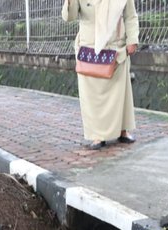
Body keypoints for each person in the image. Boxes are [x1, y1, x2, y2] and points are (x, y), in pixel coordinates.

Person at [62, 0, 139, 150]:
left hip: (116, 48)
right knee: (91, 97)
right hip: (89, 48)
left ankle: (123, 130)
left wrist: (132, 40)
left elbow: (130, 16)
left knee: (120, 94)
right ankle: (97, 135)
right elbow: (69, 17)